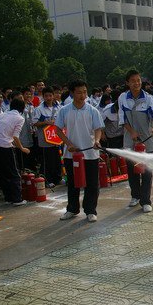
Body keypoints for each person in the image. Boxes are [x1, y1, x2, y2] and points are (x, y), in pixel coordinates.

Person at [55, 80, 104, 223]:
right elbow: (58, 129)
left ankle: (90, 210)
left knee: (92, 184)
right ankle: (72, 209)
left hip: (90, 153)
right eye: (79, 92)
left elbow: (98, 129)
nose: (82, 95)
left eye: (84, 92)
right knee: (73, 183)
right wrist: (68, 144)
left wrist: (97, 141)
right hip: (71, 154)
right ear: (72, 93)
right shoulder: (64, 110)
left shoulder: (92, 110)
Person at [118, 70, 153, 212]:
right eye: (133, 81)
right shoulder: (123, 98)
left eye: (138, 80)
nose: (137, 83)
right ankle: (135, 196)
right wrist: (131, 132)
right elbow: (122, 119)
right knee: (132, 170)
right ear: (127, 83)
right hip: (130, 141)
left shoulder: (149, 99)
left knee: (147, 172)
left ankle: (146, 201)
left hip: (148, 141)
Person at [0, 98, 30, 206]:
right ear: (22, 108)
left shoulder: (3, 114)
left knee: (2, 172)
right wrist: (22, 148)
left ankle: (8, 198)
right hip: (4, 145)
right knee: (13, 172)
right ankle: (17, 199)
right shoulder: (19, 118)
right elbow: (15, 136)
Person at [32, 87, 63, 187]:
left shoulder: (58, 107)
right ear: (43, 97)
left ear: (53, 96)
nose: (48, 98)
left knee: (57, 159)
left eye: (50, 95)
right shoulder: (39, 109)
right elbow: (34, 122)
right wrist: (46, 122)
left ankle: (58, 178)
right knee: (47, 161)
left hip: (57, 139)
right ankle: (48, 180)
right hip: (45, 140)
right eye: (46, 96)